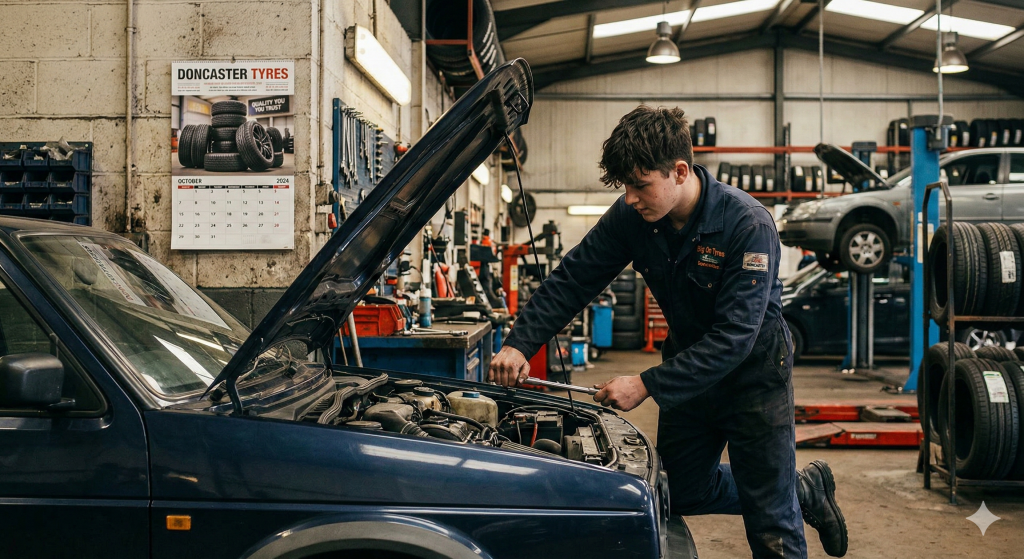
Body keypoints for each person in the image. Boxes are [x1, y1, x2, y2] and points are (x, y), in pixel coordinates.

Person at [489, 106, 847, 559]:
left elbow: (736, 335)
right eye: (626, 187)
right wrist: (522, 342)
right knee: (678, 491)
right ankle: (802, 489)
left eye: (640, 185)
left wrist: (646, 385)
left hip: (754, 380)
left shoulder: (747, 225)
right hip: (690, 374)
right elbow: (575, 276)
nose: (631, 197)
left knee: (771, 520)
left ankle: (782, 495)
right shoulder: (632, 216)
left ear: (680, 171)